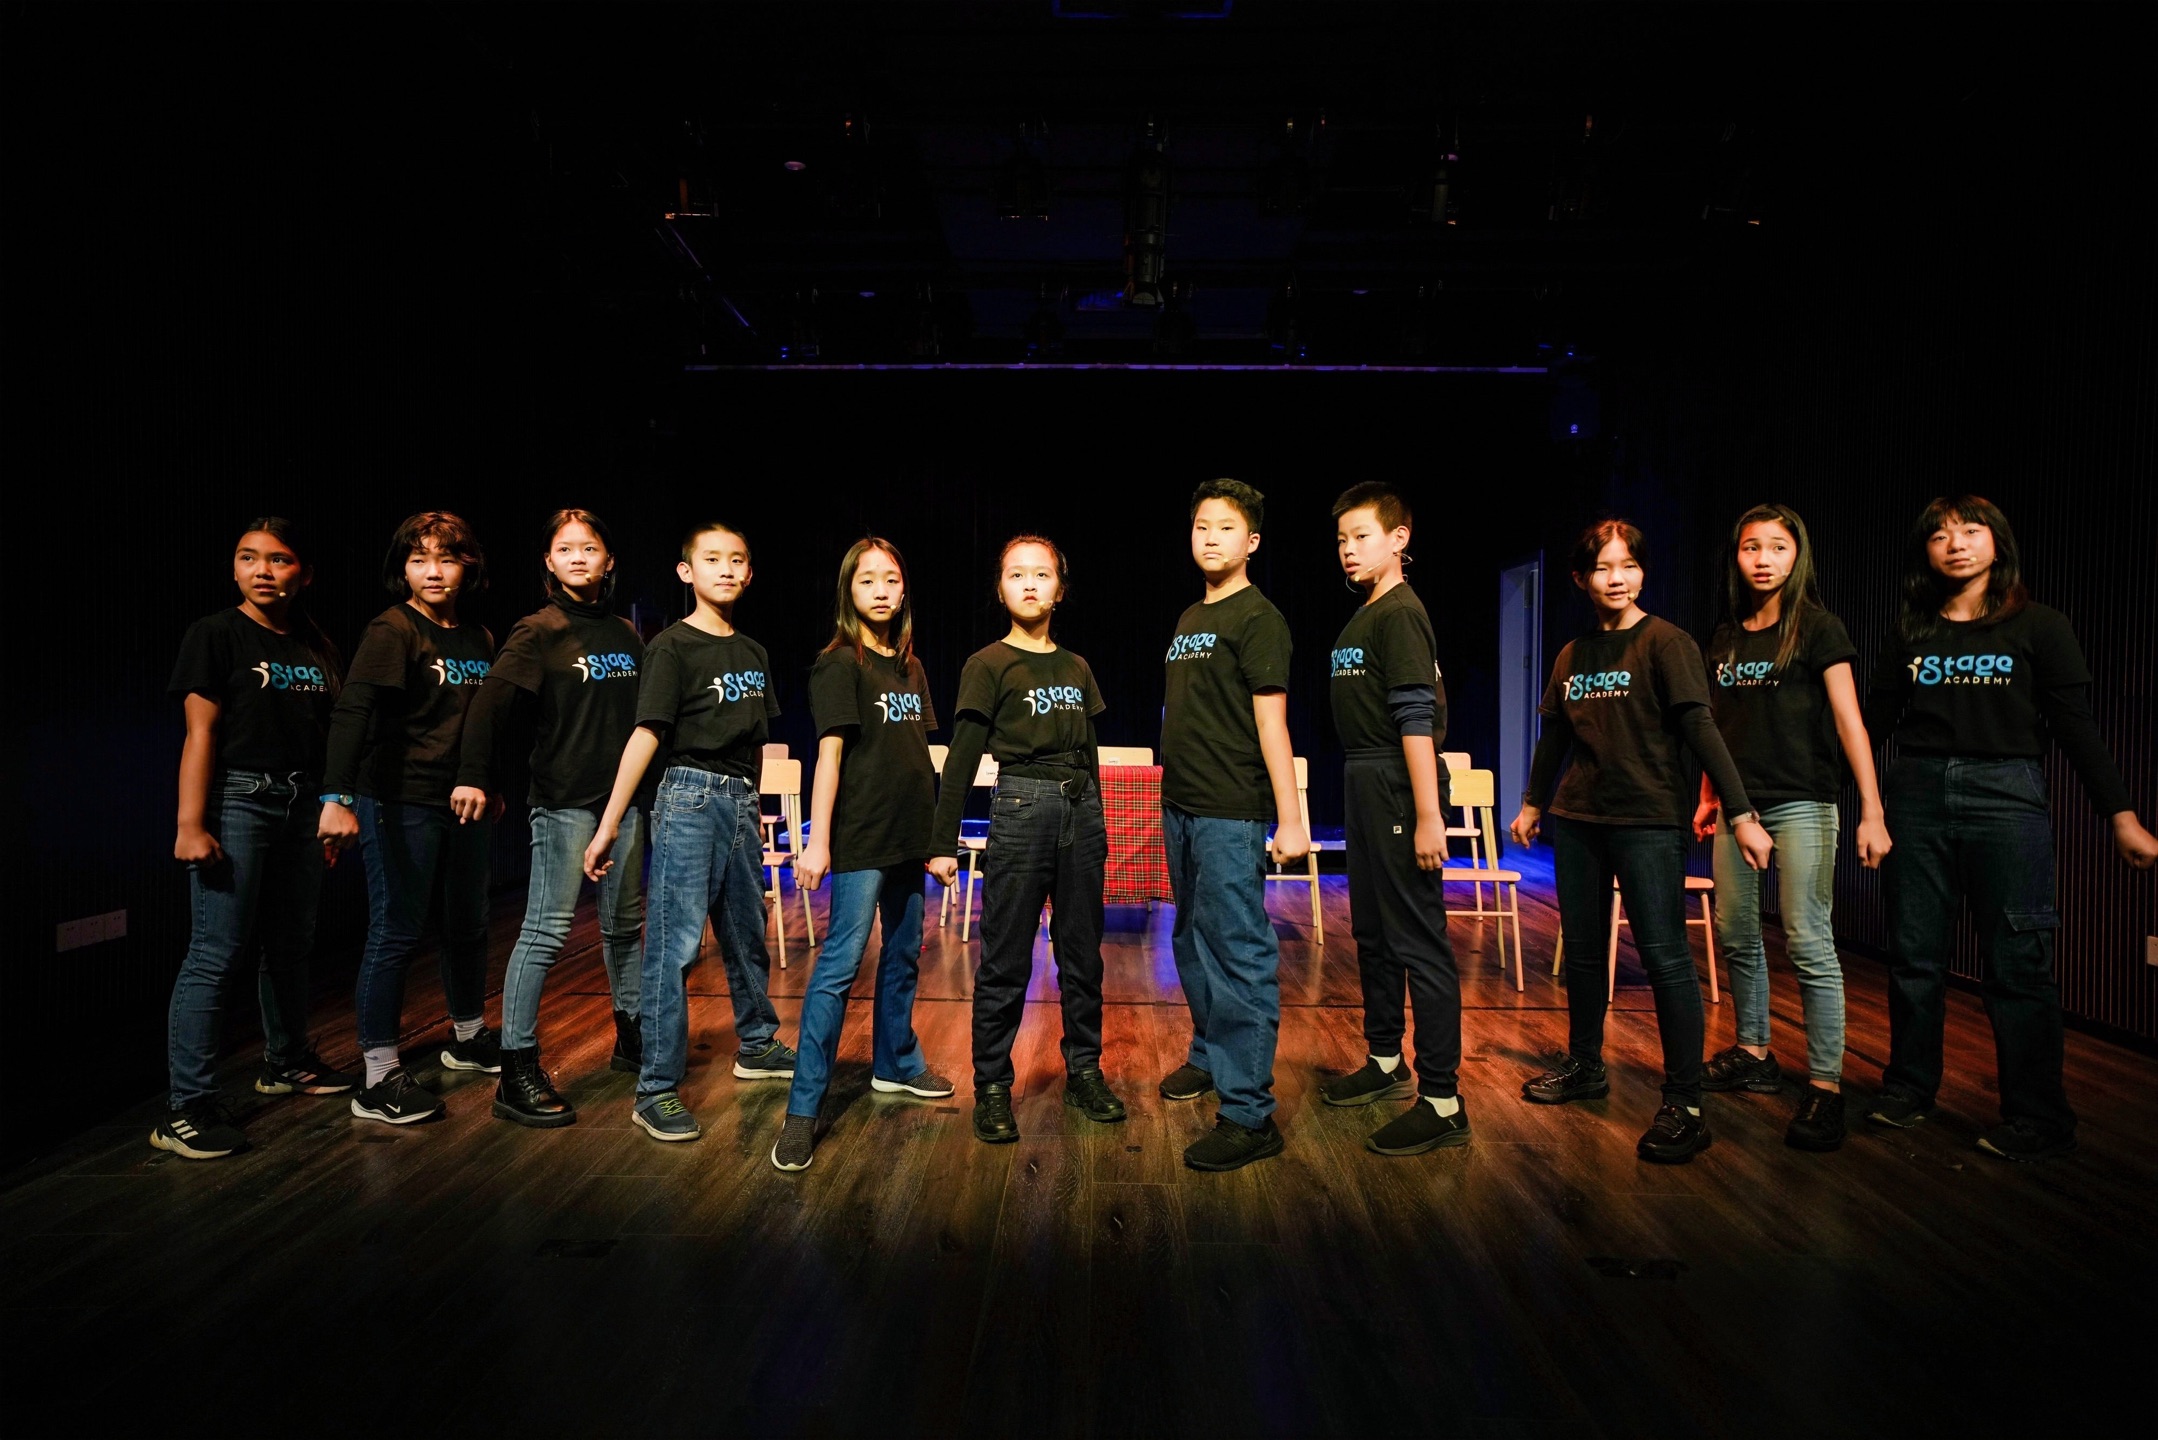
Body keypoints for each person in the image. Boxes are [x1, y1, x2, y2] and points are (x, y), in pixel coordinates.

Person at [1864, 495, 2157, 1161]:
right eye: (1940, 535)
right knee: (1914, 954)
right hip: (1917, 793)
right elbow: (1873, 723)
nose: (1956, 544)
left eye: (1971, 531)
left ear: (1998, 542)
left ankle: (2038, 1116)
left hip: (2006, 795)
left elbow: (2076, 727)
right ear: (1925, 552)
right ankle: (1909, 1088)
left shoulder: (2040, 626)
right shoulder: (1912, 630)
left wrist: (2122, 816)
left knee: (2019, 960)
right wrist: (1828, 796)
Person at [1511, 519, 1773, 1164]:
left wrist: (1741, 811)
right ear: (1581, 578)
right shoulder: (1572, 654)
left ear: (1642, 572)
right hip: (1581, 818)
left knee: (1665, 959)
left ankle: (1685, 1102)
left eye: (1628, 565)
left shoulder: (1667, 643)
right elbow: (1556, 737)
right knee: (1584, 954)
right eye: (1603, 568)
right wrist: (1533, 802)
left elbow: (1702, 730)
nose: (1617, 578)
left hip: (1649, 821)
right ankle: (1585, 1065)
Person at [582, 521, 797, 1144]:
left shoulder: (753, 652)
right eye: (712, 559)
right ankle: (654, 1088)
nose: (725, 569)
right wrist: (610, 822)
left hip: (740, 798)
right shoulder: (671, 647)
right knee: (674, 946)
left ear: (749, 573)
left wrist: (751, 805)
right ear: (687, 572)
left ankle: (756, 1042)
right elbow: (647, 733)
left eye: (737, 559)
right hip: (688, 796)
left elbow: (755, 741)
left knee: (746, 932)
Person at [1693, 503, 1891, 1152]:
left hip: (1803, 801)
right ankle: (1753, 1052)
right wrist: (1708, 796)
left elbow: (1850, 721)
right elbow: (1717, 727)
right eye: (1751, 547)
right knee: (1736, 932)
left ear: (1797, 556)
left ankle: (1826, 1085)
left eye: (1778, 547)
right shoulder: (1725, 636)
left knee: (1808, 939)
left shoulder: (1818, 628)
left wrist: (1872, 810)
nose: (1764, 559)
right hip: (1738, 807)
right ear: (1736, 556)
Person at [155, 519, 354, 1159]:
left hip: (303, 803)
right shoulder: (215, 633)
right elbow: (201, 734)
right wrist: (190, 824)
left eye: (279, 559)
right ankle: (185, 1108)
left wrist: (331, 806)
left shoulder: (316, 643)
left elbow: (330, 735)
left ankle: (286, 1062)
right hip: (240, 798)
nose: (262, 570)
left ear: (305, 573)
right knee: (216, 951)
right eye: (248, 557)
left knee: (291, 944)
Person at [928, 535, 1124, 1145]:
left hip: (1079, 810)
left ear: (1060, 590)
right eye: (1017, 574)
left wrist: (1098, 822)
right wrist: (942, 841)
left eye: (1042, 574)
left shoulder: (1076, 666)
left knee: (1082, 955)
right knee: (1006, 957)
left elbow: (1089, 751)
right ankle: (991, 1085)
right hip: (1021, 804)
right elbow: (962, 758)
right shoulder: (988, 664)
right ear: (1000, 588)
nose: (1030, 583)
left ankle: (1084, 1071)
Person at [454, 509, 647, 1128]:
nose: (578, 557)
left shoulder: (626, 634)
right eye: (565, 549)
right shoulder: (537, 631)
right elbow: (488, 708)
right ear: (548, 562)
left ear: (608, 560)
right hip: (564, 803)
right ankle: (515, 1070)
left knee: (625, 928)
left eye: (589, 548)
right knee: (545, 932)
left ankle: (633, 1037)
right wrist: (474, 774)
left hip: (624, 804)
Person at [771, 538, 955, 1172]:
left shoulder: (910, 667)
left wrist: (937, 840)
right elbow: (829, 756)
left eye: (891, 579)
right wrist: (816, 840)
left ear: (903, 591)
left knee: (904, 955)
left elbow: (919, 757)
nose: (880, 589)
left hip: (910, 836)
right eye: (867, 579)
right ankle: (802, 1111)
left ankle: (895, 1064)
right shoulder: (837, 664)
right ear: (849, 590)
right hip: (862, 838)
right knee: (839, 967)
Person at [321, 512, 502, 1126]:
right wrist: (336, 797)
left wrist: (489, 781)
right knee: (396, 931)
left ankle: (468, 1036)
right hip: (400, 800)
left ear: (467, 567)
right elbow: (353, 713)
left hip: (463, 802)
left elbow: (481, 723)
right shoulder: (392, 629)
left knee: (468, 923)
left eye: (446, 558)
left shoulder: (478, 637)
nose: (433, 570)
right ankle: (377, 1076)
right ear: (403, 568)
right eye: (419, 558)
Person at [1317, 482, 1473, 1156]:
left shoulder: (1402, 613)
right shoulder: (1367, 613)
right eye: (1342, 540)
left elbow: (1416, 715)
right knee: (1374, 934)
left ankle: (1442, 1100)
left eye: (1362, 536)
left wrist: (1429, 813)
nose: (1349, 550)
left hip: (1397, 782)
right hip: (1364, 780)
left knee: (1418, 941)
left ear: (1399, 538)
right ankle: (1386, 1060)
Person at [1156, 480, 1306, 1171]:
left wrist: (1290, 819)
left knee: (1239, 951)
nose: (1210, 537)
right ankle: (1211, 1055)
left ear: (1252, 542)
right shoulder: (1190, 616)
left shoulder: (1259, 618)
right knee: (1190, 937)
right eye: (1201, 526)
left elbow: (1272, 724)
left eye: (1225, 527)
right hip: (1181, 805)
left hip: (1230, 809)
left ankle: (1249, 1114)